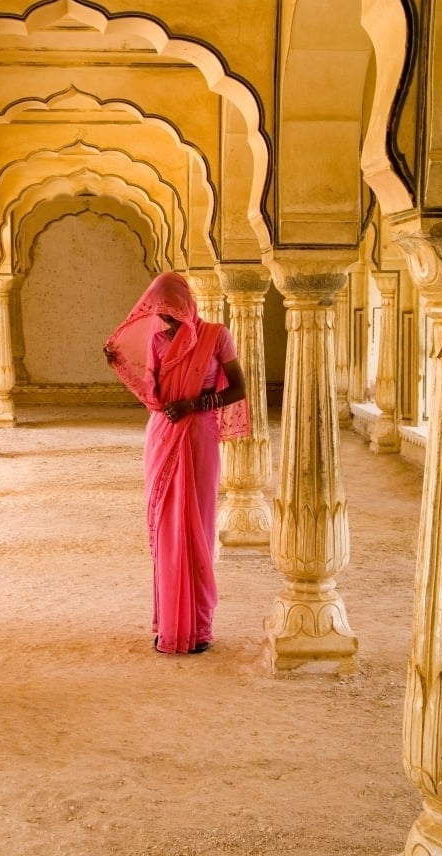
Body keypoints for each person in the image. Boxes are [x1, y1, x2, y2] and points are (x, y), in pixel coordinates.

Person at [103, 271, 249, 655]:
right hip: (164, 437)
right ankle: (169, 622)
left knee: (196, 528)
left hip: (198, 436)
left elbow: (239, 388)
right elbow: (154, 395)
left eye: (170, 311)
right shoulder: (155, 342)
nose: (164, 319)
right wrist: (120, 364)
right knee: (166, 530)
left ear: (185, 305)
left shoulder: (216, 336)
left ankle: (199, 627)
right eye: (159, 312)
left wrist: (195, 404)